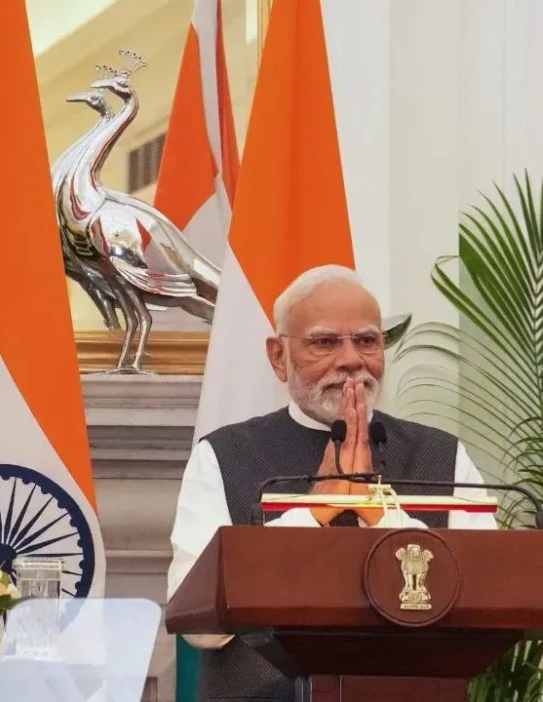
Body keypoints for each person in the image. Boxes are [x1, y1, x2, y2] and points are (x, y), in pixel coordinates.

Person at [167, 264, 497, 702]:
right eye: (324, 342)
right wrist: (313, 511)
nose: (351, 360)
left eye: (366, 341)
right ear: (278, 356)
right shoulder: (224, 456)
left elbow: (485, 602)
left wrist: (379, 511)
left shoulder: (442, 456)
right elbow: (198, 625)